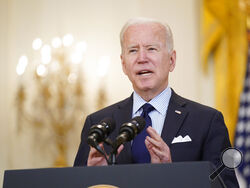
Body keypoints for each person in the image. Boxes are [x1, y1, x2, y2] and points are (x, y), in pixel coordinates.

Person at [74, 17, 239, 187]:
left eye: (151, 49)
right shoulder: (98, 125)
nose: (142, 58)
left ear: (171, 60)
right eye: (133, 50)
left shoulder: (207, 121)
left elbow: (225, 186)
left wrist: (170, 175)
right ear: (123, 64)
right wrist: (92, 177)